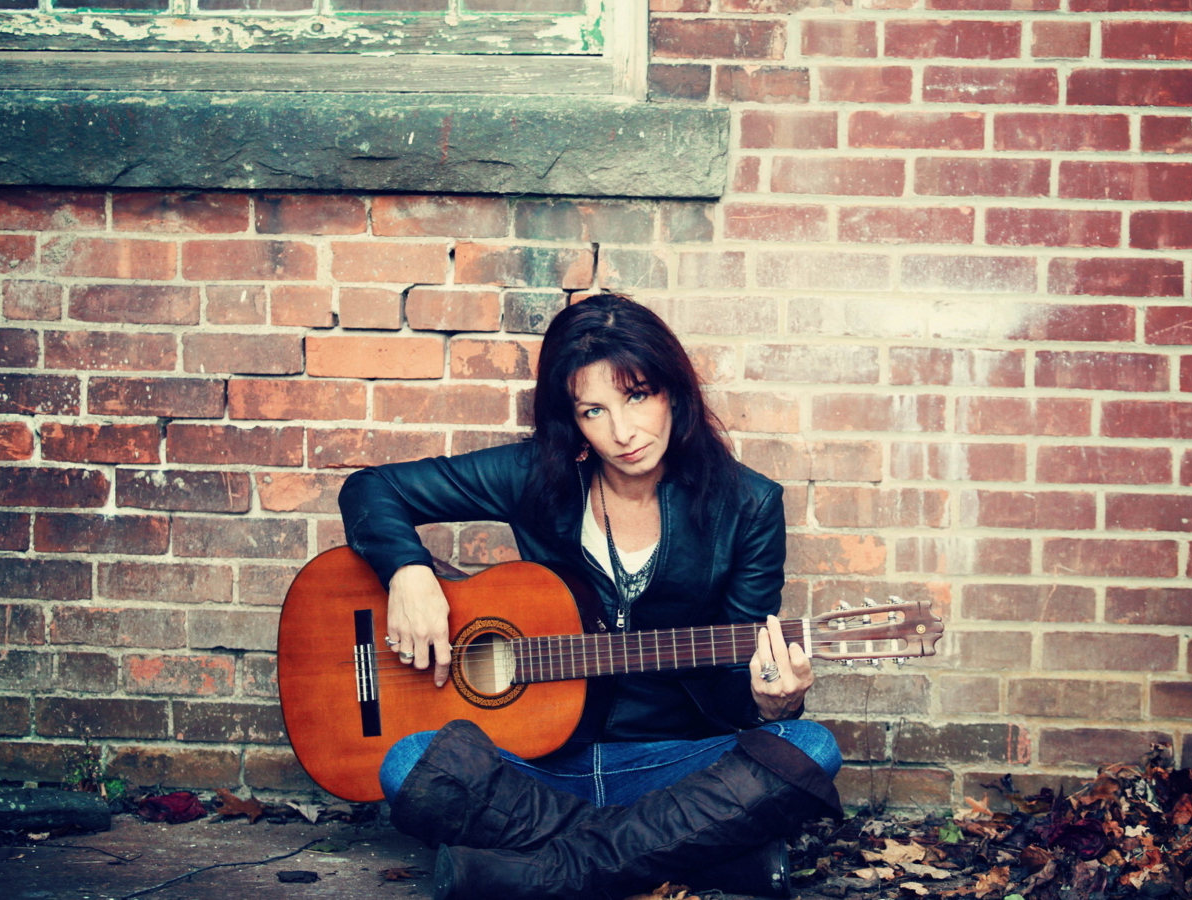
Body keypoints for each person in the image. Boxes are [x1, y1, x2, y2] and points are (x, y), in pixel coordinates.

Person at [338, 293, 842, 900]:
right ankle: (690, 858)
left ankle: (543, 872)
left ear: (673, 391)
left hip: (671, 768)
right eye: (593, 411)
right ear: (570, 420)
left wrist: (770, 704)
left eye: (637, 396)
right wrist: (408, 573)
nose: (622, 432)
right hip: (537, 770)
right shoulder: (536, 476)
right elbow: (371, 490)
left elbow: (732, 687)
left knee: (807, 747)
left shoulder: (748, 506)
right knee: (407, 761)